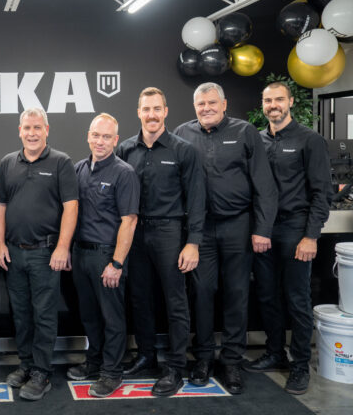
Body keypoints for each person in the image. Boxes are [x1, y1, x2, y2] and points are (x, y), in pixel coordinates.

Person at [174, 82, 277, 394]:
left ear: (224, 103)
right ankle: (203, 358)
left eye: (212, 102)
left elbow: (264, 183)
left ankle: (231, 360)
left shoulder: (245, 132)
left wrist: (262, 229)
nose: (206, 108)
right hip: (200, 230)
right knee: (202, 294)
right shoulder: (182, 132)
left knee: (236, 294)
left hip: (238, 226)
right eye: (201, 103)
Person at [116, 87, 205, 397]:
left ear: (166, 111)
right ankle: (146, 356)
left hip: (170, 232)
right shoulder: (125, 149)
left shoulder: (184, 150)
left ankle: (176, 366)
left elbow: (196, 199)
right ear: (138, 112)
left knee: (175, 301)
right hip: (135, 233)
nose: (151, 114)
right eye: (146, 109)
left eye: (157, 108)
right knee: (139, 298)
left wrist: (193, 242)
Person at [247, 81, 332, 395]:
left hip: (295, 229)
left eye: (279, 99)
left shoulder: (310, 140)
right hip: (263, 231)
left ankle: (299, 366)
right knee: (267, 296)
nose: (273, 105)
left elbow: (322, 193)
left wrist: (311, 236)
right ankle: (274, 353)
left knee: (297, 299)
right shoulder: (256, 140)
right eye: (268, 100)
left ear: (291, 102)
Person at [0, 107, 78, 401]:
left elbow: (71, 206)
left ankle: (42, 372)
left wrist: (62, 247)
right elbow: (1, 206)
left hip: (46, 253)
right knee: (21, 313)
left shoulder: (61, 162)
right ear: (20, 130)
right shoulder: (8, 163)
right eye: (27, 128)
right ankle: (27, 365)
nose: (32, 133)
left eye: (37, 128)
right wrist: (1, 244)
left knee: (44, 315)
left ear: (47, 129)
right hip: (14, 253)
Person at [68, 113, 139, 398]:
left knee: (111, 317)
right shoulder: (78, 169)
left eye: (106, 136)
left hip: (107, 256)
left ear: (116, 140)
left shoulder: (124, 173)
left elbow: (129, 221)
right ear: (88, 135)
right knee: (89, 316)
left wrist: (117, 262)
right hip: (81, 255)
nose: (100, 141)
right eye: (96, 135)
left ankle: (112, 372)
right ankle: (94, 361)